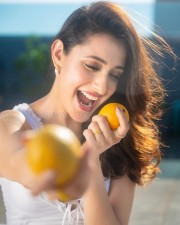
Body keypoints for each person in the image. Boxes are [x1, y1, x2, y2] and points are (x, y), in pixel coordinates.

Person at [0, 1, 175, 225]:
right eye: (92, 66)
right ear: (59, 54)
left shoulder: (119, 140)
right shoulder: (13, 123)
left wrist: (92, 160)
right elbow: (15, 160)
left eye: (114, 75)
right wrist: (42, 174)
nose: (103, 87)